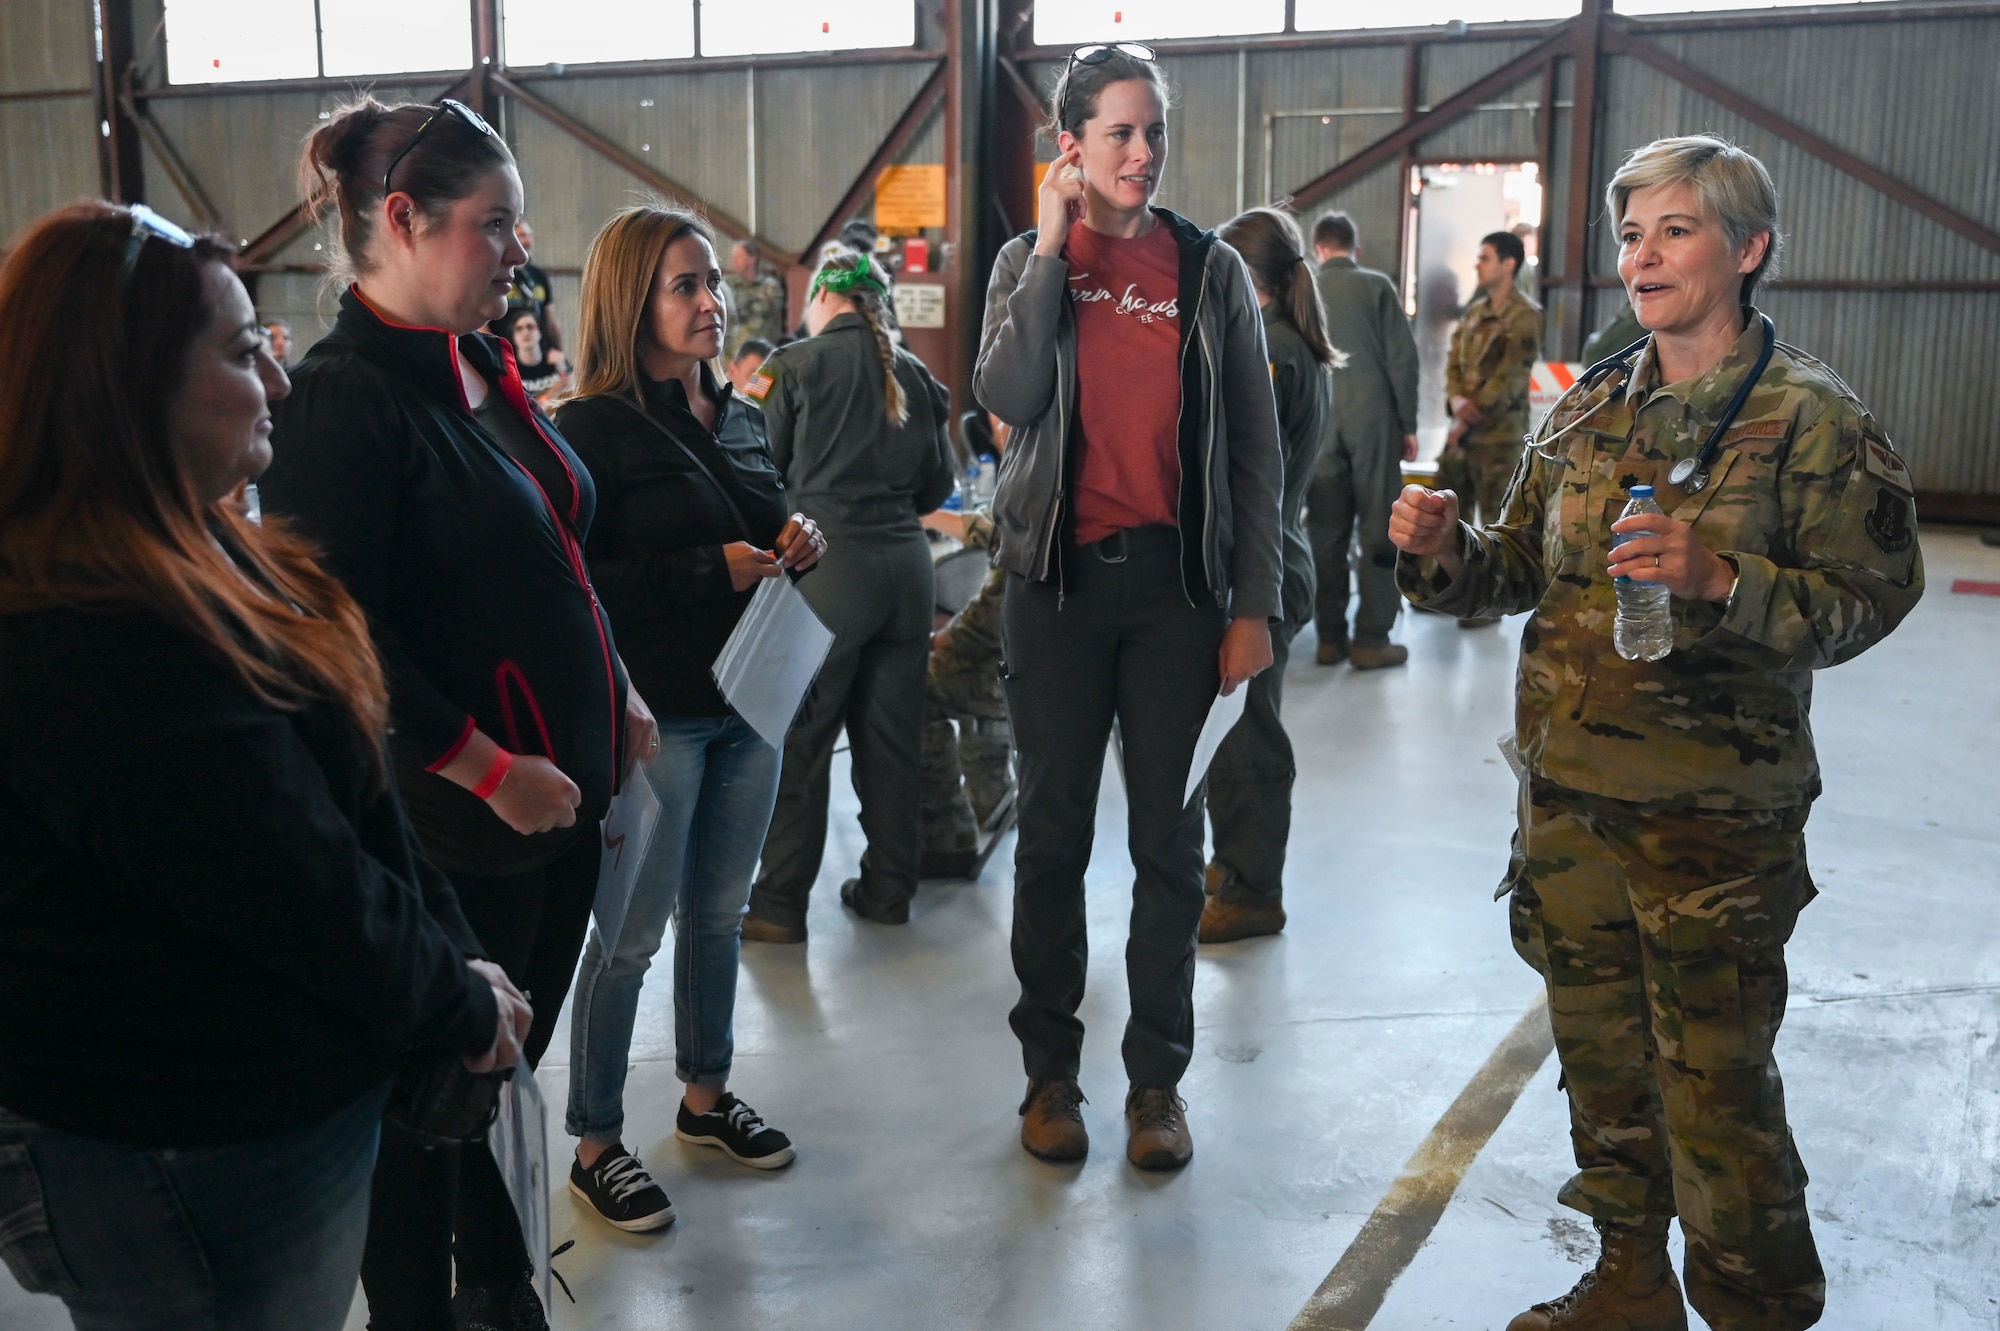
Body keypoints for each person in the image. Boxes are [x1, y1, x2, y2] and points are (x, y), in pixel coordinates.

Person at [1390, 135, 1924, 1331]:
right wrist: (1434, 557)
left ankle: (1755, 1307)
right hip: (1571, 805)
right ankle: (1628, 1280)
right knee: (1605, 1072)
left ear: (1746, 248)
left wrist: (1721, 575)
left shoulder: (1809, 418)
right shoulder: (1588, 402)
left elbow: (1870, 599)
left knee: (1716, 1097)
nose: (1642, 254)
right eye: (1630, 233)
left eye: (1673, 230)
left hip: (1711, 827)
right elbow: (1514, 568)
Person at [0, 201, 524, 1331]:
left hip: (265, 1111)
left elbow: (352, 798)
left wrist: (455, 958)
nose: (278, 383)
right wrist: (450, 997)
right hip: (186, 1143)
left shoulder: (198, 547)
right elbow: (291, 880)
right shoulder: (87, 631)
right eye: (244, 354)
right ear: (121, 387)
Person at [260, 96, 657, 1331]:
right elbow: (339, 634)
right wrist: (485, 764)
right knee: (431, 1098)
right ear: (400, 221)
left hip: (556, 810)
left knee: (501, 1082)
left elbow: (555, 555)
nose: (516, 251)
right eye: (492, 227)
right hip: (461, 826)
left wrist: (620, 687)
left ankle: (499, 1288)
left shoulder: (478, 367)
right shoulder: (344, 400)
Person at [974, 43, 1283, 1172]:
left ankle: (1155, 1083)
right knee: (1050, 836)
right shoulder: (1024, 260)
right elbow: (1003, 396)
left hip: (1175, 595)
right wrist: (1054, 249)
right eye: (1119, 131)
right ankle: (1048, 1076)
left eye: (1153, 131)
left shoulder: (1207, 271)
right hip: (1051, 587)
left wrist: (1253, 604)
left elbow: (1255, 448)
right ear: (1072, 144)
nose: (1143, 152)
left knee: (1167, 842)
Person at [553, 206, 825, 1232]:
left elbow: (768, 514)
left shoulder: (741, 414)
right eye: (685, 285)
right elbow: (582, 583)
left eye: (714, 281)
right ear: (633, 300)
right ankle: (593, 1137)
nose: (713, 301)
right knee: (626, 935)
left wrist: (796, 539)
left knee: (719, 912)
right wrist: (699, 569)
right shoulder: (591, 431)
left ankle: (705, 1094)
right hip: (657, 719)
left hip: (748, 701)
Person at [739, 249, 953, 939]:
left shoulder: (791, 367)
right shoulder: (917, 376)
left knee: (800, 739)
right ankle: (890, 890)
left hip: (826, 571)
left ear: (824, 299)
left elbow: (754, 473)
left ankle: (777, 905)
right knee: (891, 742)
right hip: (908, 575)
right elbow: (935, 489)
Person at [1199, 206, 1334, 944]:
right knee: (1236, 735)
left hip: (1264, 573)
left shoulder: (1272, 353)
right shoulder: (1290, 343)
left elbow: (1239, 475)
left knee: (1247, 743)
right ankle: (1237, 873)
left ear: (1244, 278)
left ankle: (1252, 891)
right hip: (1279, 561)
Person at [1308, 209, 1419, 669]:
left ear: (1318, 250)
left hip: (1319, 422)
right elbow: (1402, 360)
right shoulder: (1377, 286)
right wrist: (1408, 424)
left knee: (1325, 532)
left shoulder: (1305, 288)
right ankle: (1372, 638)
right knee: (1379, 527)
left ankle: (1329, 638)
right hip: (1372, 419)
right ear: (1356, 250)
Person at [919, 411, 1014, 879]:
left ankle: (946, 830)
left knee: (913, 684)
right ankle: (991, 792)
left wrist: (937, 640)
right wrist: (930, 516)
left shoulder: (1029, 485)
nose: (996, 428)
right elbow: (993, 531)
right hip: (1066, 670)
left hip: (1030, 679)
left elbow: (990, 620)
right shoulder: (1051, 466)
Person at [1437, 227, 1541, 538]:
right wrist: (1455, 399)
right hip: (1462, 441)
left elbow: (1508, 380)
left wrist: (1464, 422)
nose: (1477, 265)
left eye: (1485, 258)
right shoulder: (1475, 313)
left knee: (1501, 532)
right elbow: (1454, 360)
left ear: (1509, 264)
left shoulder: (1525, 316)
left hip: (1498, 443)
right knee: (1449, 530)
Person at [506, 217, 562, 351]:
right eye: (522, 236)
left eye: (529, 235)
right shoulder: (500, 274)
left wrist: (561, 358)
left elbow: (551, 321)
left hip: (539, 355)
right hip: (509, 355)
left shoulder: (539, 276)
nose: (528, 241)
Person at [723, 240, 785, 358]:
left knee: (762, 377)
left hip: (762, 356)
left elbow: (765, 309)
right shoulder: (727, 284)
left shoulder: (769, 286)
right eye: (733, 257)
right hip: (732, 357)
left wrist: (741, 304)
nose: (734, 261)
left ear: (752, 258)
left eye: (739, 256)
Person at [494, 305, 567, 402]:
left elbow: (574, 388)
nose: (526, 332)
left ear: (540, 333)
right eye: (519, 329)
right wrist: (549, 396)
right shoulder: (508, 369)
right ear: (513, 337)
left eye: (530, 327)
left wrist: (562, 370)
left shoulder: (556, 359)